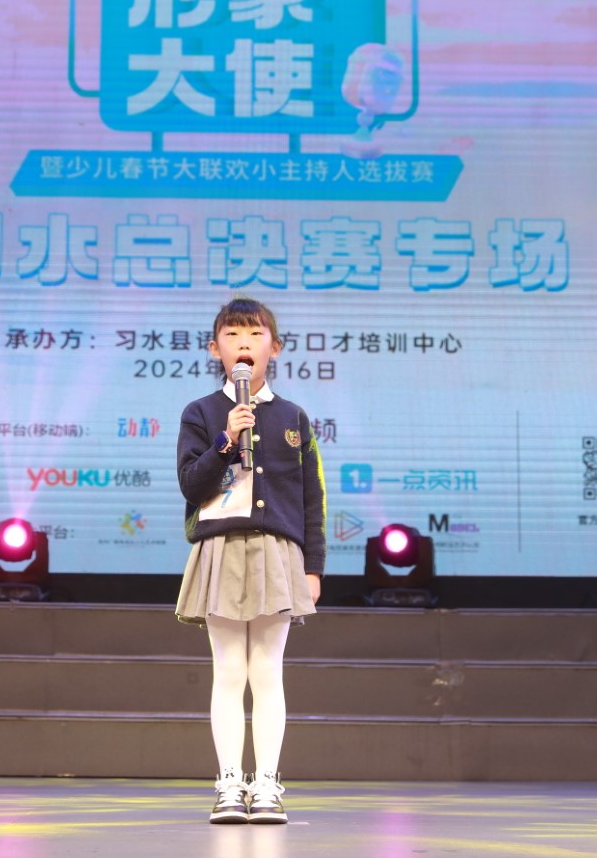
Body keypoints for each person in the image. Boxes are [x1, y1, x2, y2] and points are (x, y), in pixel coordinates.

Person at [175, 296, 326, 825]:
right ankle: (228, 784)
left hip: (277, 553)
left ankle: (266, 784)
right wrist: (226, 440)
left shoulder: (293, 417)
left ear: (274, 348)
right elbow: (191, 485)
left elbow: (311, 497)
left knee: (266, 671)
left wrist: (313, 567)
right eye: (233, 335)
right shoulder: (201, 413)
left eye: (255, 334)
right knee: (228, 671)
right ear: (215, 349)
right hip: (220, 549)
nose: (244, 344)